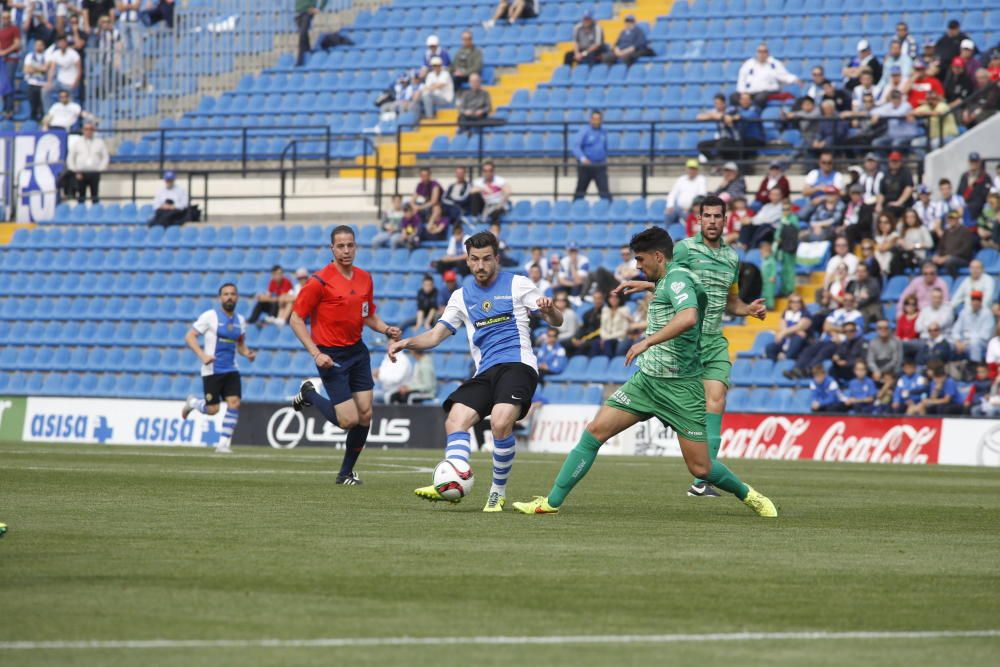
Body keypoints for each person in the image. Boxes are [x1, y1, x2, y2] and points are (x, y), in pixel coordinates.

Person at [513, 227, 777, 517]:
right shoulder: (669, 279)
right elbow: (683, 291)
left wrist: (646, 341)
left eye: (640, 260)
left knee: (701, 467)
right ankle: (551, 503)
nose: (637, 266)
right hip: (647, 382)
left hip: (680, 388)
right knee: (594, 433)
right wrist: (647, 285)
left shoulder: (678, 278)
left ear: (658, 256)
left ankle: (749, 495)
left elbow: (688, 316)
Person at [388, 231, 563, 511]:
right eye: (474, 260)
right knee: (454, 421)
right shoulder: (460, 296)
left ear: (496, 258)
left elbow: (557, 321)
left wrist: (549, 309)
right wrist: (407, 342)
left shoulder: (518, 285)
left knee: (500, 423)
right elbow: (434, 337)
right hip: (485, 371)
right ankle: (453, 481)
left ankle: (497, 491)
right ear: (467, 261)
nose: (480, 265)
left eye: (486, 259)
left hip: (518, 365)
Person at [617, 196, 766, 497]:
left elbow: (730, 301)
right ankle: (705, 470)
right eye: (707, 216)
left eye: (717, 216)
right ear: (699, 220)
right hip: (687, 342)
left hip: (713, 340)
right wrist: (647, 285)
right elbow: (671, 279)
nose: (712, 221)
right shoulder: (684, 248)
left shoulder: (732, 258)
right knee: (699, 403)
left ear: (726, 220)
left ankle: (703, 479)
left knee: (717, 396)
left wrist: (748, 309)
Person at [290, 226, 401, 486]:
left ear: (356, 246)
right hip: (330, 355)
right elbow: (296, 319)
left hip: (357, 352)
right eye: (340, 246)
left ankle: (345, 474)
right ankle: (309, 394)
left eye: (350, 245)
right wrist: (316, 353)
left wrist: (386, 329)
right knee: (348, 420)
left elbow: (367, 314)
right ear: (332, 249)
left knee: (365, 415)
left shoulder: (364, 278)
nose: (346, 250)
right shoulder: (318, 281)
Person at [180, 283, 256, 455]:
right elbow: (190, 336)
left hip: (231, 369)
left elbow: (240, 345)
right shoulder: (210, 316)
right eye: (226, 294)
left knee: (234, 403)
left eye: (232, 294)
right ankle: (192, 403)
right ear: (220, 297)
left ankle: (222, 444)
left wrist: (248, 353)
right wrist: (202, 355)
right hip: (212, 370)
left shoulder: (240, 321)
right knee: (213, 410)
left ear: (237, 297)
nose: (229, 297)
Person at [736, 42, 799, 109]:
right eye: (759, 51)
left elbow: (783, 75)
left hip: (768, 91)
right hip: (749, 93)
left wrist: (794, 79)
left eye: (764, 52)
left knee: (760, 98)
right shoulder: (748, 64)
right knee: (734, 97)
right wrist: (743, 93)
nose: (762, 54)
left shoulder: (774, 64)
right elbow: (741, 80)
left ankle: (754, 113)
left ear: (768, 53)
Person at [64, 121, 109, 203]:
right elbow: (70, 158)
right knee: (81, 196)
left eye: (90, 129)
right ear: (83, 130)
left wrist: (100, 169)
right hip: (81, 173)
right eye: (86, 129)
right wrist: (75, 171)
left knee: (95, 196)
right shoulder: (77, 142)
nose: (88, 131)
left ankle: (95, 214)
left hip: (94, 172)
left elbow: (105, 157)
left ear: (93, 130)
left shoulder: (99, 142)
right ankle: (80, 213)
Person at [572, 110, 610, 201]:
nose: (596, 121)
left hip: (600, 166)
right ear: (590, 120)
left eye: (598, 119)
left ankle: (608, 210)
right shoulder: (585, 131)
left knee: (604, 191)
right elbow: (576, 147)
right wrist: (583, 159)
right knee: (580, 191)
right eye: (594, 119)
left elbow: (604, 147)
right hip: (587, 166)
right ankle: (575, 209)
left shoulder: (603, 132)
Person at [950, 291, 995, 364]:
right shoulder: (964, 312)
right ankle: (952, 369)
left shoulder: (987, 314)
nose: (975, 302)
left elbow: (985, 336)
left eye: (978, 300)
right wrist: (957, 341)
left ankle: (974, 367)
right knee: (949, 342)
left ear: (981, 302)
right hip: (963, 342)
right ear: (971, 301)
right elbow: (955, 330)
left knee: (975, 344)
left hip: (981, 343)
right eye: (973, 300)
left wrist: (966, 343)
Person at [696, 93, 741, 162]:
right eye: (715, 103)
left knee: (720, 145)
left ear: (724, 103)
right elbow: (699, 117)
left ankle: (719, 160)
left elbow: (726, 118)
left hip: (733, 139)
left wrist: (714, 116)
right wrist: (714, 116)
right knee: (701, 145)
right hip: (722, 138)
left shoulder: (731, 109)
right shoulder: (715, 111)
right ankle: (715, 162)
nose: (717, 105)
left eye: (719, 103)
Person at [765, 294, 811, 361]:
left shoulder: (806, 313)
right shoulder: (786, 313)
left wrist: (784, 333)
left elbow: (800, 326)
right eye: (793, 302)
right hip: (786, 340)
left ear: (801, 303)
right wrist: (794, 331)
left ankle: (786, 359)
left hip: (799, 342)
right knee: (770, 348)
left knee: (798, 338)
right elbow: (783, 327)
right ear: (790, 303)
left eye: (798, 302)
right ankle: (775, 365)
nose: (796, 304)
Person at [932, 210, 975, 278]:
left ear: (958, 219)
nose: (951, 220)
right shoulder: (946, 232)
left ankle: (956, 280)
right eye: (949, 218)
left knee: (950, 262)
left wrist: (948, 257)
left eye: (953, 218)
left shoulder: (965, 231)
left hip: (962, 259)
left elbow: (966, 250)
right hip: (946, 258)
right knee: (930, 261)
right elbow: (940, 247)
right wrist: (937, 256)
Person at [664, 159, 707, 225]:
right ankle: (665, 232)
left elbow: (700, 197)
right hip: (679, 208)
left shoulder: (701, 179)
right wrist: (670, 205)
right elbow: (673, 194)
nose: (692, 170)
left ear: (697, 170)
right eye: (690, 168)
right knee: (669, 212)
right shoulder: (681, 179)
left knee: (687, 214)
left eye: (694, 169)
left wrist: (690, 208)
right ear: (686, 169)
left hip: (692, 210)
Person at [43, 34, 80, 106]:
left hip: (70, 83)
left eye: (63, 42)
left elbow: (79, 70)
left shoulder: (73, 54)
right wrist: (49, 82)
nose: (62, 44)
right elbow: (52, 69)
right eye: (60, 42)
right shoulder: (56, 54)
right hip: (59, 82)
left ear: (66, 43)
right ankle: (49, 113)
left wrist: (75, 82)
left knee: (71, 100)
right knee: (45, 90)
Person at [876, 151, 913, 219]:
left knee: (890, 210)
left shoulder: (905, 172)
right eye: (892, 161)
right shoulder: (885, 173)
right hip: (887, 203)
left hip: (902, 204)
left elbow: (909, 188)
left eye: (896, 161)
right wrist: (879, 204)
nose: (894, 163)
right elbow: (881, 193)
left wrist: (899, 202)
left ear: (900, 162)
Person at [958, 152, 992, 221]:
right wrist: (969, 186)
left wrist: (975, 183)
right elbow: (959, 194)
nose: (974, 164)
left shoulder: (985, 177)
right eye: (972, 161)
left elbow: (986, 195)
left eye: (975, 162)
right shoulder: (965, 176)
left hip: (980, 210)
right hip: (966, 210)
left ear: (979, 162)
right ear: (968, 162)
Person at [0, 11, 21, 120]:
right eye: (4, 18)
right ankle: (4, 109)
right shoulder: (1, 30)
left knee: (9, 82)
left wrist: (5, 52)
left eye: (7, 17)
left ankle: (10, 109)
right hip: (2, 60)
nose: (5, 19)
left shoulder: (14, 29)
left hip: (11, 58)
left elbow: (17, 44)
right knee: (3, 84)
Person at [23, 38, 47, 121]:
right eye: (37, 45)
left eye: (40, 45)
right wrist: (41, 69)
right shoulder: (29, 56)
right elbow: (26, 70)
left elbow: (47, 69)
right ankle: (33, 123)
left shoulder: (47, 56)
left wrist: (34, 68)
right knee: (33, 106)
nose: (38, 47)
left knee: (43, 107)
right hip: (32, 84)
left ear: (43, 46)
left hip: (43, 85)